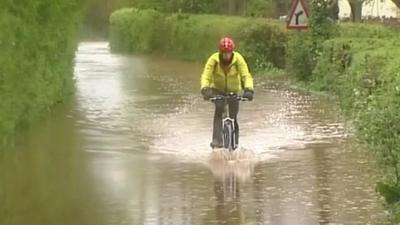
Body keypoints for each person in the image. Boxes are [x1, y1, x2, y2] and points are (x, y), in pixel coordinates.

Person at [200, 37, 254, 149]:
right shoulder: (213, 60)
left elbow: (245, 75)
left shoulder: (238, 59)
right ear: (220, 52)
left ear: (232, 52)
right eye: (224, 53)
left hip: (233, 91)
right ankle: (216, 140)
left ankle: (235, 144)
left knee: (233, 116)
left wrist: (248, 89)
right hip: (217, 90)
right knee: (219, 110)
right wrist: (205, 89)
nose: (226, 56)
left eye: (228, 53)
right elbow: (206, 75)